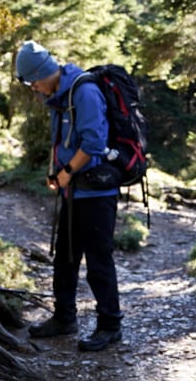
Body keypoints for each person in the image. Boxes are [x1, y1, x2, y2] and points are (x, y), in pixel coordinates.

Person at [14, 40, 123, 352]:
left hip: (97, 190)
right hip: (74, 189)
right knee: (65, 256)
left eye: (33, 82)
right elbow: (61, 141)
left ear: (42, 73)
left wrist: (66, 172)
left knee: (98, 259)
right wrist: (56, 172)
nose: (34, 89)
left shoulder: (83, 91)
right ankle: (64, 317)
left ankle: (110, 325)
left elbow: (94, 142)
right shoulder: (59, 96)